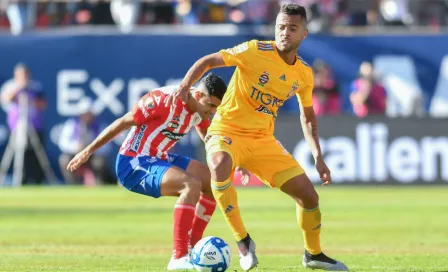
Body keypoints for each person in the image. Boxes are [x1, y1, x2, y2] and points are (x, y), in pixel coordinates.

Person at [165, 4, 348, 271]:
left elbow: (307, 117)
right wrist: (183, 88)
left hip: (262, 140)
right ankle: (242, 241)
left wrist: (318, 157)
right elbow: (207, 61)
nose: (285, 33)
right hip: (226, 130)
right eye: (281, 27)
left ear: (304, 34)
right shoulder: (254, 50)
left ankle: (314, 254)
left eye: (292, 28)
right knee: (218, 167)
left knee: (309, 197)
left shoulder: (304, 74)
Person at [66, 74, 248, 270]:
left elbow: (208, 138)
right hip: (133, 162)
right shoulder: (162, 101)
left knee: (211, 184)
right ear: (199, 94)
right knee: (190, 185)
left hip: (159, 157)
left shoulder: (199, 110)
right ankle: (178, 257)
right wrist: (87, 151)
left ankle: (192, 246)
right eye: (211, 106)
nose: (212, 112)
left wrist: (230, 159)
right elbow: (122, 122)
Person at [0, 63, 47, 185]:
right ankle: (20, 180)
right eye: (21, 74)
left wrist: (30, 99)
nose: (24, 76)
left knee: (36, 155)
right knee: (18, 153)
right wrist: (19, 88)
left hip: (34, 125)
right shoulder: (10, 86)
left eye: (26, 74)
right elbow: (6, 99)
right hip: (17, 126)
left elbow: (43, 103)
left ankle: (38, 181)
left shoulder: (35, 86)